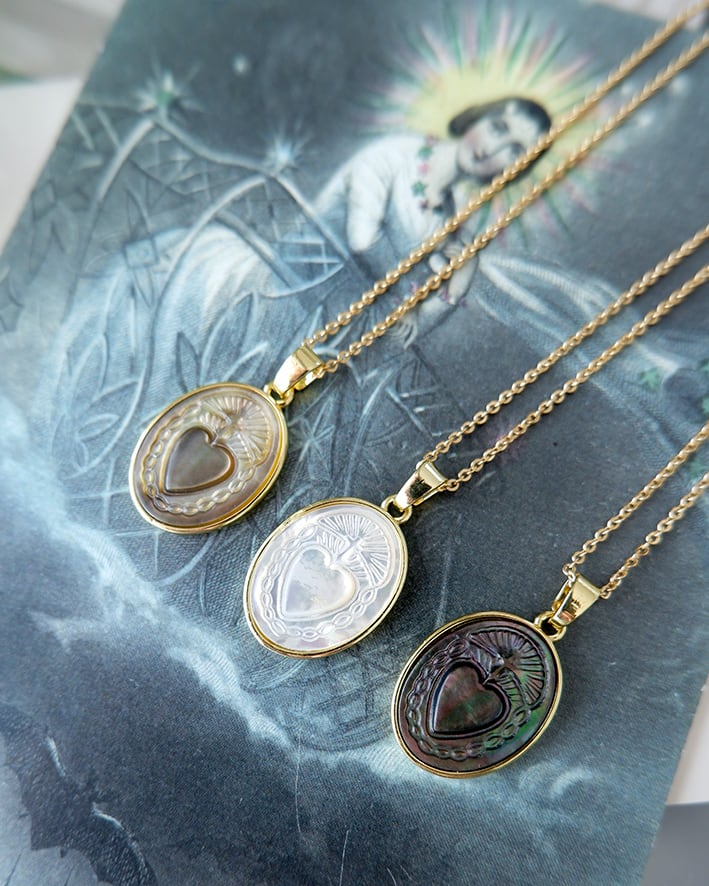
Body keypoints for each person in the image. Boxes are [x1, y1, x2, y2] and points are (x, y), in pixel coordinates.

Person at [317, 97, 552, 304]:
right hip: (307, 279)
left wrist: (460, 279)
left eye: (514, 151)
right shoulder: (396, 156)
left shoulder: (449, 215)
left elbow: (425, 308)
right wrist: (406, 296)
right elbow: (363, 240)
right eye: (497, 128)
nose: (490, 150)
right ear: (477, 117)